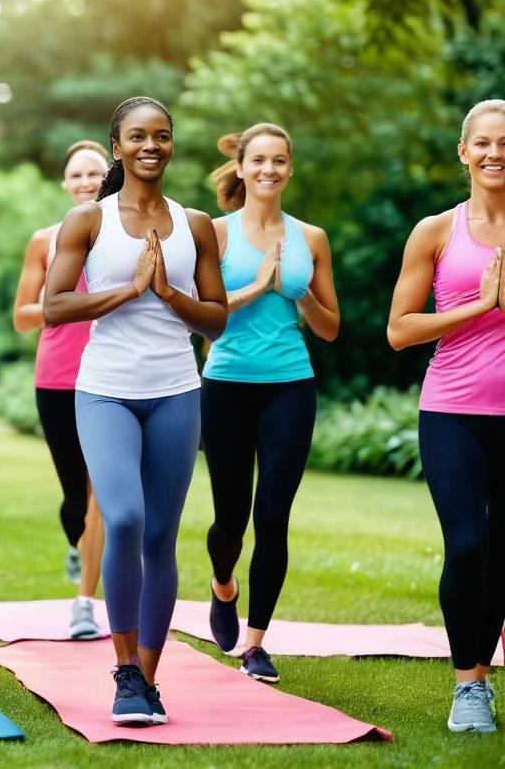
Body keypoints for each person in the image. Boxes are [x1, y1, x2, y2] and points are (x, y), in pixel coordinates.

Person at [44, 96, 227, 725]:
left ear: (171, 145)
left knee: (159, 535)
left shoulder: (196, 223)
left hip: (176, 390)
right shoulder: (87, 223)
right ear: (117, 146)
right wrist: (126, 290)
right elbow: (55, 306)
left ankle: (147, 680)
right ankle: (123, 669)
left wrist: (168, 292)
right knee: (121, 518)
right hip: (106, 390)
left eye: (162, 136)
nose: (151, 146)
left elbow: (217, 321)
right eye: (138, 137)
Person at [202, 124, 340, 684]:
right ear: (240, 167)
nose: (268, 170)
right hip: (227, 384)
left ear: (289, 168)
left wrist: (296, 288)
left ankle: (256, 643)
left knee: (273, 516)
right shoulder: (213, 233)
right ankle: (222, 584)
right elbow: (201, 316)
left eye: (279, 161)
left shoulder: (312, 238)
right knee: (230, 519)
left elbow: (330, 328)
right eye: (258, 160)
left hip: (290, 384)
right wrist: (258, 285)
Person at [388, 99, 505, 734]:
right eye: (483, 143)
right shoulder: (436, 230)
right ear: (464, 152)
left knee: (503, 555)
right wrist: (481, 304)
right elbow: (399, 331)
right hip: (453, 409)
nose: (495, 153)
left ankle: (481, 675)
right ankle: (469, 687)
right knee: (467, 544)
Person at [12, 140, 108, 638]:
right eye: (77, 175)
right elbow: (22, 316)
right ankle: (78, 542)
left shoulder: (124, 232)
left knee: (101, 495)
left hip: (112, 376)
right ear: (65, 185)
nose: (87, 182)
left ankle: (84, 603)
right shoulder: (45, 240)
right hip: (56, 379)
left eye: (95, 173)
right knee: (76, 497)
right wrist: (70, 302)